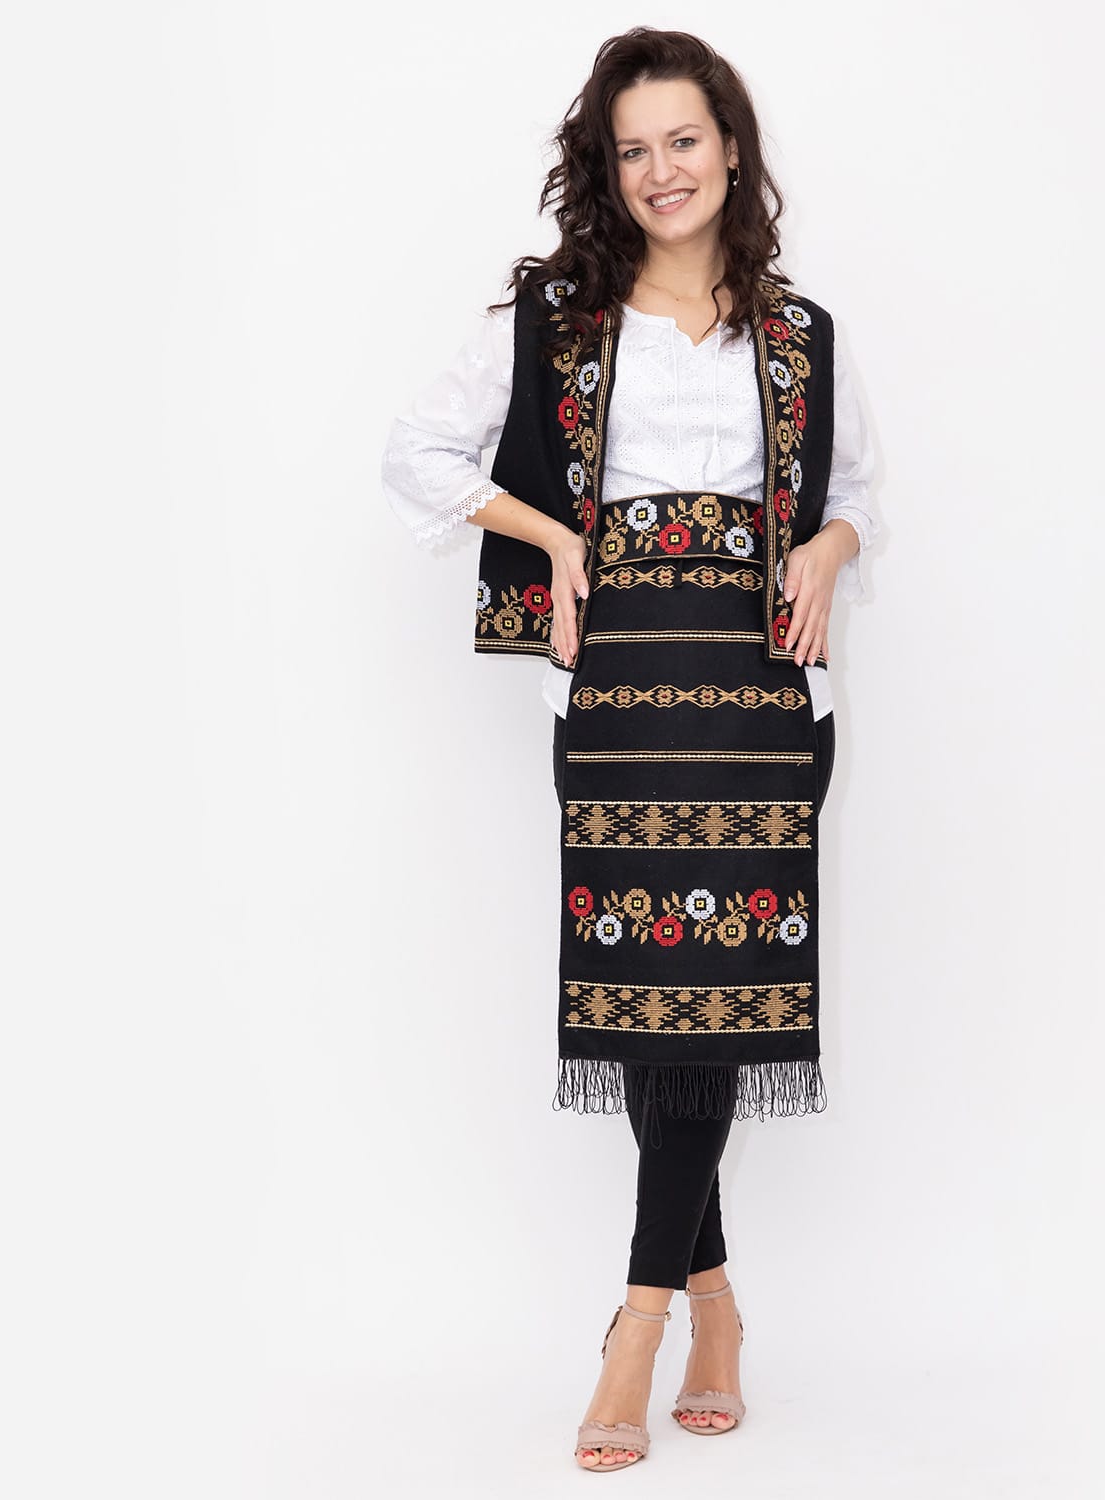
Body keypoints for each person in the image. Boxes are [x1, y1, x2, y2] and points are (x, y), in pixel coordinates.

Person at [380, 27, 879, 1474]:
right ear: (607, 170)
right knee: (659, 992)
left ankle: (644, 1320)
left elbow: (857, 492)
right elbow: (417, 455)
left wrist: (829, 547)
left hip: (770, 705)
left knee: (711, 999)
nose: (662, 170)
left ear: (732, 148)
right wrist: (552, 537)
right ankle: (697, 1305)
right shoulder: (554, 318)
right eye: (633, 149)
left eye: (684, 140)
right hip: (613, 702)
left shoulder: (802, 334)